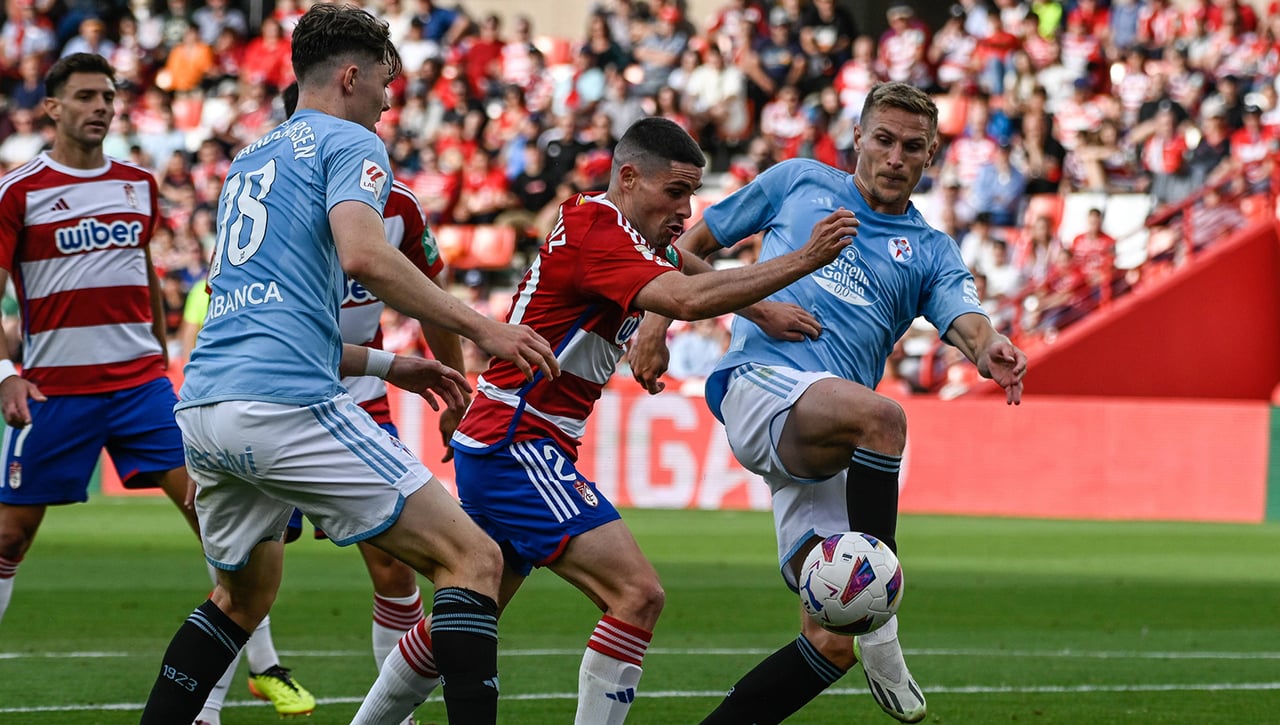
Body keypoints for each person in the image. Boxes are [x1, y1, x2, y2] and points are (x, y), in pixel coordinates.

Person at [352, 116, 854, 725]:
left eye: (692, 194)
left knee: (464, 611)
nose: (685, 209)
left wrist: (764, 311)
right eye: (675, 192)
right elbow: (686, 298)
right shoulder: (598, 230)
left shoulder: (615, 226)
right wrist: (804, 260)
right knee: (636, 595)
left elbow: (682, 265)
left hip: (511, 436)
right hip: (520, 439)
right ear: (628, 176)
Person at [137, 7, 559, 724]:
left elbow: (267, 315)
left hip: (206, 406)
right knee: (476, 560)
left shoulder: (251, 160)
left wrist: (397, 366)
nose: (390, 104)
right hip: (286, 405)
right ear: (352, 76)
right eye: (385, 86)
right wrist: (483, 325)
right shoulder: (348, 142)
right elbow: (366, 255)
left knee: (240, 600)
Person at [630, 82, 1028, 725]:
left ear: (930, 159)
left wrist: (993, 348)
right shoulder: (797, 181)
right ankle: (885, 624)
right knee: (885, 416)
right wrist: (654, 325)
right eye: (885, 140)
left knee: (828, 638)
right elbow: (685, 245)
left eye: (913, 147)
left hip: (829, 440)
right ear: (859, 140)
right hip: (758, 384)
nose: (896, 157)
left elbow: (969, 322)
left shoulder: (928, 250)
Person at [0, 53, 314, 722]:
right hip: (56, 388)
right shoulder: (18, 191)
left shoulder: (138, 185)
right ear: (51, 107)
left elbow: (145, 278)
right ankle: (258, 669)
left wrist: (171, 358)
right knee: (7, 538)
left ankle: (248, 677)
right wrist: (7, 372)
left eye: (108, 96)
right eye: (85, 96)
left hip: (142, 384)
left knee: (218, 524)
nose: (100, 107)